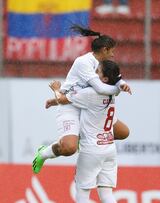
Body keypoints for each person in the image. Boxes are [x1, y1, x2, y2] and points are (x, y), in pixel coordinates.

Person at [32, 25, 131, 174]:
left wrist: (122, 84)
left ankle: (84, 139)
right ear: (104, 50)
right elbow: (101, 89)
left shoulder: (105, 65)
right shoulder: (83, 62)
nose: (113, 55)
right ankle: (44, 153)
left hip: (90, 106)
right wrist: (118, 89)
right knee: (69, 148)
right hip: (71, 105)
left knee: (123, 132)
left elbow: (115, 77)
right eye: (111, 51)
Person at [47, 60, 122, 203]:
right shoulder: (114, 91)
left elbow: (62, 99)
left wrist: (56, 89)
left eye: (97, 72)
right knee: (107, 194)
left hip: (92, 149)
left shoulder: (90, 93)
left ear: (105, 79)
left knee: (82, 194)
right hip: (109, 148)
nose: (94, 75)